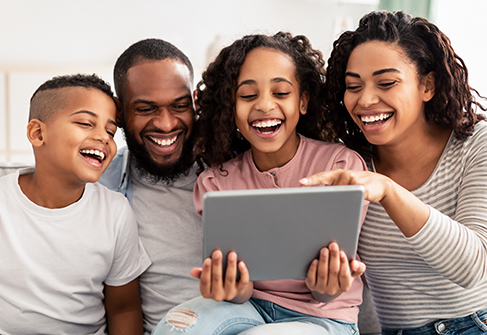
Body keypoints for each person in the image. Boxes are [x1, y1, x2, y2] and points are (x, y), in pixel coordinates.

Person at [153, 32, 369, 335]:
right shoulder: (215, 183)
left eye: (281, 93)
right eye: (248, 95)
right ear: (231, 108)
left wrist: (327, 286)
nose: (265, 105)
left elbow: (328, 291)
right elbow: (241, 292)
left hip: (324, 317)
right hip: (249, 306)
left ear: (303, 100)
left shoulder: (340, 167)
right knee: (175, 328)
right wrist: (233, 286)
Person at [300, 10, 487, 334]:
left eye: (387, 83)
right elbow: (333, 291)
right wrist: (326, 283)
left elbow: (474, 264)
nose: (365, 100)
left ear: (428, 85)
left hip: (481, 324)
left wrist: (389, 191)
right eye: (353, 86)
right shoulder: (348, 164)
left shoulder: (478, 144)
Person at [0, 74, 151, 334]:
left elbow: (124, 308)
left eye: (111, 131)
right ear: (37, 133)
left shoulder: (115, 212)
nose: (104, 137)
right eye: (85, 123)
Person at [99, 39, 202, 333]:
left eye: (180, 106)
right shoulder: (99, 188)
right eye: (146, 109)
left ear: (195, 101)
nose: (166, 124)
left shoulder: (238, 173)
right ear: (120, 113)